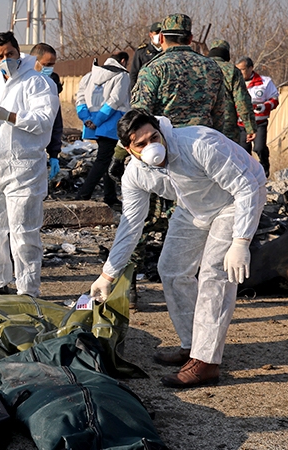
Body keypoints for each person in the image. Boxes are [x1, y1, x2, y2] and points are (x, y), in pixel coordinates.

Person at [90, 109, 266, 388]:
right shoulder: (136, 174)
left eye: (154, 137)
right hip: (193, 206)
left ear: (160, 129)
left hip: (234, 201)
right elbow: (131, 224)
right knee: (170, 269)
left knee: (213, 274)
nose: (152, 147)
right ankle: (193, 344)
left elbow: (247, 188)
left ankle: (206, 362)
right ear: (128, 149)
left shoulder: (199, 145)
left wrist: (241, 241)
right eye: (141, 144)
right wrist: (108, 274)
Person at [0, 31, 58, 297]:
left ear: (18, 52)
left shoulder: (37, 82)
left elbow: (44, 119)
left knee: (24, 232)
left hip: (25, 167)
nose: (5, 59)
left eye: (10, 54)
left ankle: (28, 289)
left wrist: (9, 116)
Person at [131, 14, 226, 132]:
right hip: (204, 141)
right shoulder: (212, 67)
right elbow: (219, 114)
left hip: (169, 141)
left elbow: (140, 114)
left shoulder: (154, 68)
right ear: (190, 39)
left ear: (161, 38)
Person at [74, 52, 131, 208]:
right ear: (123, 61)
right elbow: (115, 100)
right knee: (103, 160)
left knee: (107, 159)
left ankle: (110, 196)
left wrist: (87, 119)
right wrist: (99, 120)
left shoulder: (89, 75)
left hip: (93, 122)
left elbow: (79, 99)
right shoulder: (122, 75)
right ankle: (83, 194)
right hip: (111, 122)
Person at [236, 56, 279, 176]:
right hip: (241, 124)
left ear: (250, 68)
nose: (239, 72)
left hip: (259, 123)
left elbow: (274, 99)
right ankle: (248, 174)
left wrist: (265, 106)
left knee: (259, 148)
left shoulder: (264, 82)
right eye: (237, 69)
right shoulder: (236, 83)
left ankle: (264, 168)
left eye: (242, 69)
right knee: (243, 151)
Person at [31, 43, 63, 184]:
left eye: (52, 64)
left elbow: (56, 120)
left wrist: (54, 154)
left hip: (40, 148)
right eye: (46, 64)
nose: (49, 68)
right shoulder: (22, 82)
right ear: (34, 61)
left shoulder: (52, 85)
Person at [129, 22, 161, 93]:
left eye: (162, 33)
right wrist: (134, 92)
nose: (159, 36)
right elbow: (134, 73)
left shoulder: (168, 52)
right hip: (145, 92)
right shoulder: (142, 52)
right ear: (151, 34)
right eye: (157, 33)